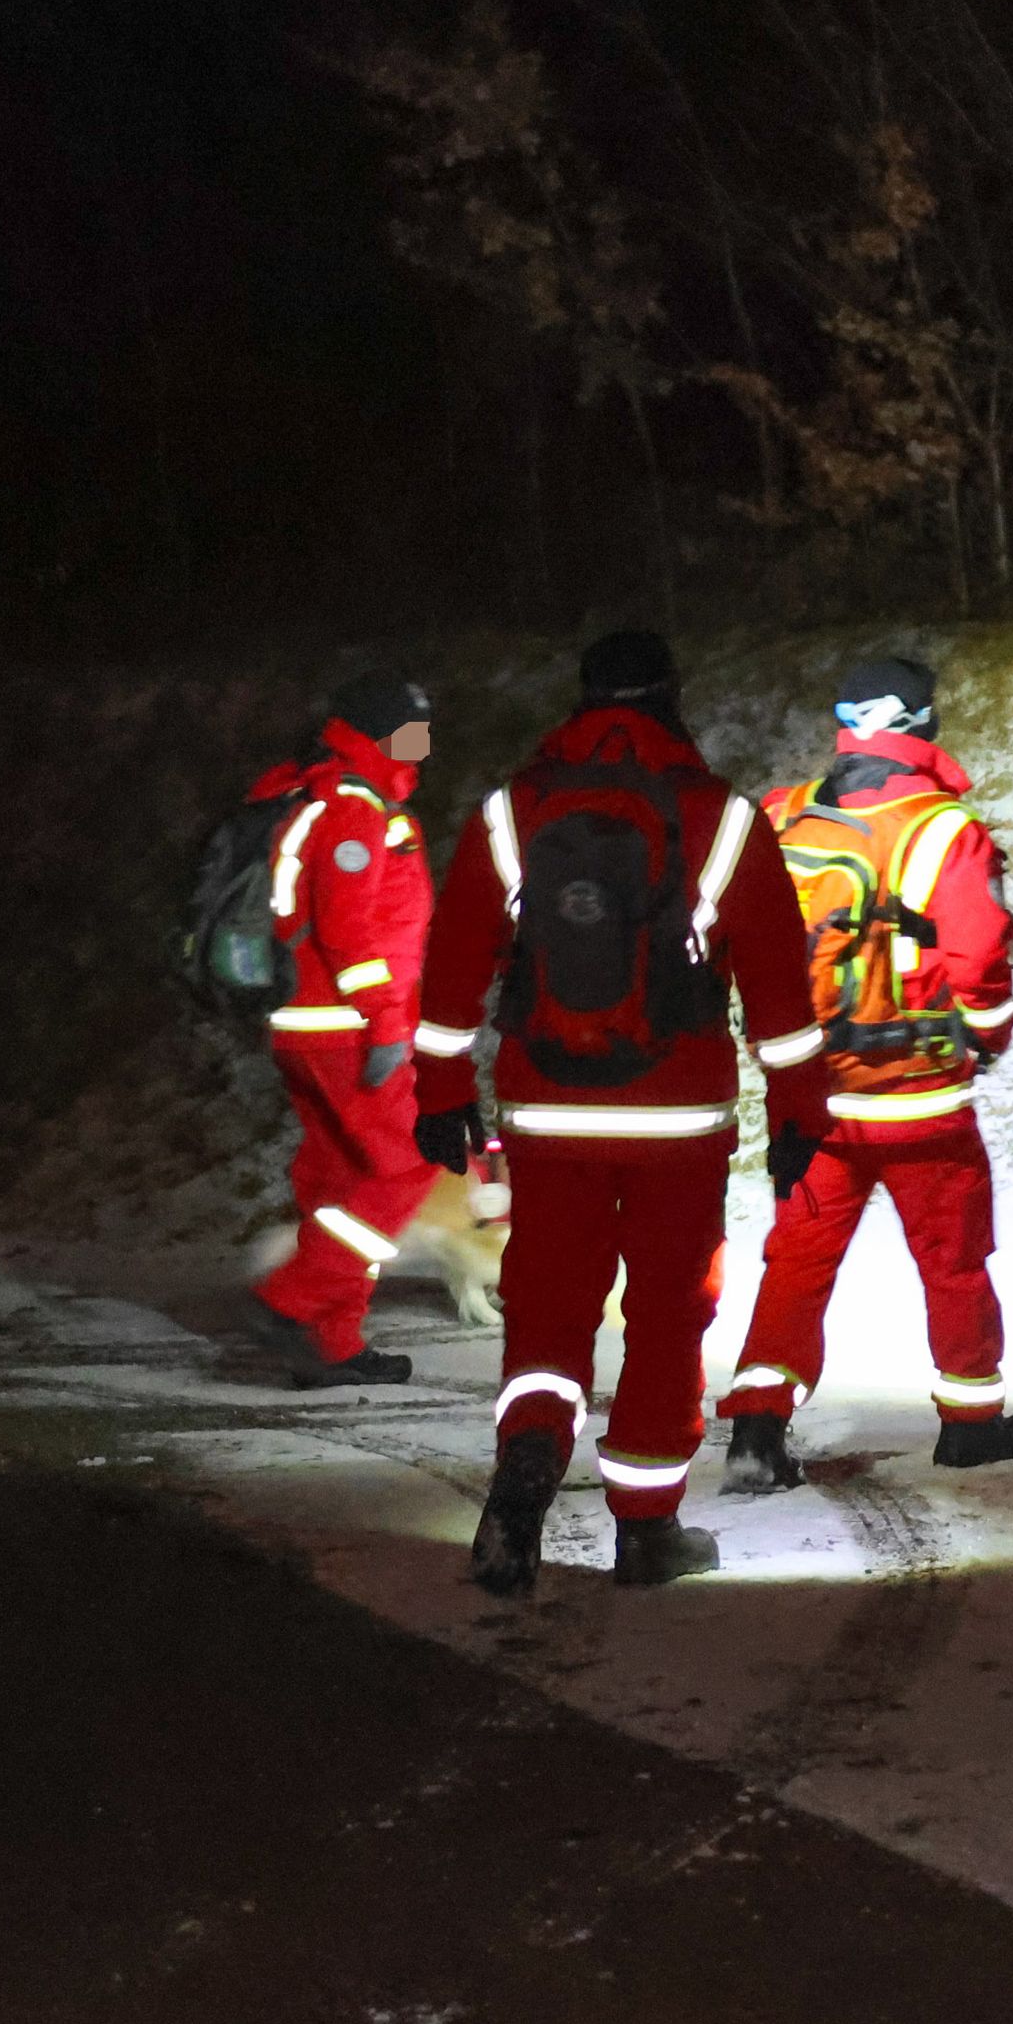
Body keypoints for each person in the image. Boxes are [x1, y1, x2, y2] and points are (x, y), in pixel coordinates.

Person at [411, 630, 834, 1593]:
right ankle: (646, 1528)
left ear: (584, 698)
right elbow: (779, 989)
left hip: (546, 1109)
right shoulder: (723, 819)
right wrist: (799, 1114)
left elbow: (455, 963)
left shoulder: (512, 813)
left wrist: (441, 1092)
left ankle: (528, 1455)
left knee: (549, 1300)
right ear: (672, 697)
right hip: (678, 1119)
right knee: (667, 1311)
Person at [714, 655, 1013, 1491]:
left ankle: (756, 1427)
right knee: (953, 1260)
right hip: (919, 1097)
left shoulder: (784, 816)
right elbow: (979, 958)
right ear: (922, 723)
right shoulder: (942, 828)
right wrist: (990, 1034)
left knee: (797, 1263)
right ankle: (970, 1424)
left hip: (812, 1093)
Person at [241, 673, 441, 1388]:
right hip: (347, 1029)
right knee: (406, 1166)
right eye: (413, 731)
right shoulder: (353, 809)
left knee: (341, 1182)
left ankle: (331, 1344)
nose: (424, 745)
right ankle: (290, 1302)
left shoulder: (320, 796)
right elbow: (347, 931)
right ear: (380, 732)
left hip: (308, 1026)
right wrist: (385, 1023)